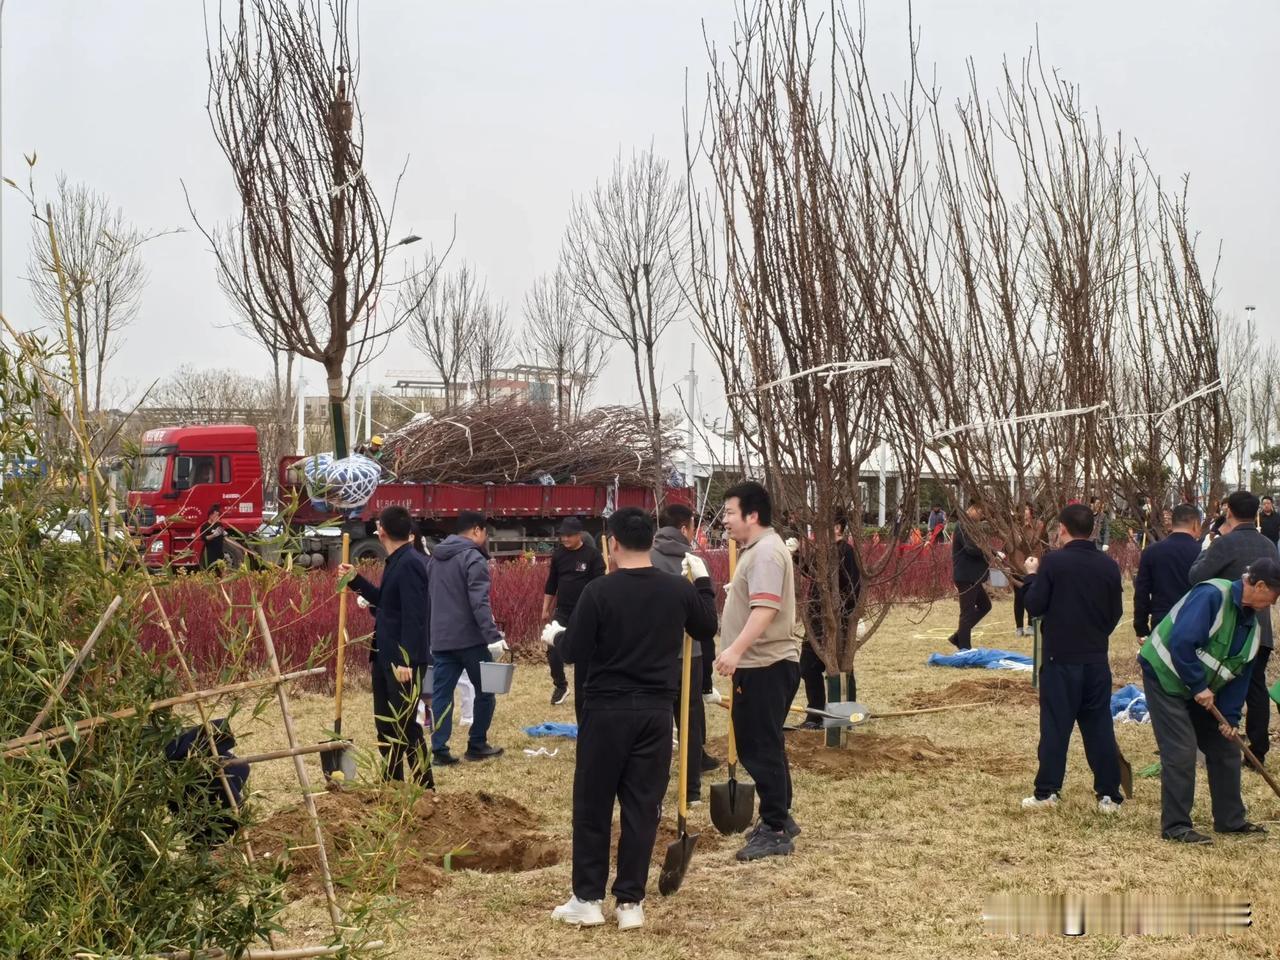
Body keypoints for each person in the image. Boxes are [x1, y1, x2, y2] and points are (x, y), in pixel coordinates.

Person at [545, 507, 718, 930]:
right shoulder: (677, 590)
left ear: (613, 544)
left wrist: (556, 637)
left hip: (606, 710)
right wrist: (702, 582)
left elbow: (576, 650)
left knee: (593, 803)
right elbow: (706, 627)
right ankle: (630, 903)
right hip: (657, 712)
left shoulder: (600, 592)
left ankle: (587, 898)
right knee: (643, 805)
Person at [1139, 558, 1280, 843]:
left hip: (1200, 689)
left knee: (1226, 747)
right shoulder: (1213, 595)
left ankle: (1230, 820)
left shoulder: (1252, 630)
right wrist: (1198, 685)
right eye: (1274, 597)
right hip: (1165, 675)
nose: (1274, 604)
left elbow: (1238, 676)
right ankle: (1176, 826)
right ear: (1260, 585)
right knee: (1181, 749)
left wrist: (1229, 719)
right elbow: (1181, 643)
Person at [715, 481, 804, 861]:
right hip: (765, 663)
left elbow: (766, 610)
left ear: (752, 516)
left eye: (731, 513)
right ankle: (780, 814)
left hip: (765, 664)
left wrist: (734, 650)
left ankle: (775, 827)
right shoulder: (760, 550)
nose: (725, 521)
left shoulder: (766, 552)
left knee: (758, 747)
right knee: (767, 743)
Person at [1020, 503, 1124, 812]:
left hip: (1060, 660)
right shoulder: (1108, 565)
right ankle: (1109, 794)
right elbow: (1115, 612)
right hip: (1095, 659)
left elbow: (1035, 605)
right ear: (1092, 530)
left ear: (1062, 529)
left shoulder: (1053, 563)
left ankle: (1047, 791)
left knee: (1055, 727)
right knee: (1099, 727)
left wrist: (1030, 576)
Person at [339, 505, 433, 786]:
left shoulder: (411, 564)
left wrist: (406, 660)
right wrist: (355, 579)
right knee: (386, 724)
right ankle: (393, 783)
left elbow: (416, 617)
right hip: (384, 656)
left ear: (382, 532)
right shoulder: (396, 560)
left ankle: (425, 787)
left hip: (402, 661)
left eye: (378, 525)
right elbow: (386, 602)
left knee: (405, 725)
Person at [1187, 490, 1279, 765]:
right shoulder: (1268, 545)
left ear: (1228, 512)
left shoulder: (1225, 543)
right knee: (1257, 687)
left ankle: (1214, 744)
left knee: (1223, 684)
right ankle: (1258, 750)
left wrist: (1210, 544)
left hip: (1230, 633)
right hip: (1262, 630)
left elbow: (1196, 576)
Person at [427, 511, 505, 765]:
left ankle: (439, 750)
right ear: (475, 530)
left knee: (441, 695)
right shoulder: (473, 557)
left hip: (440, 638)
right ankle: (477, 744)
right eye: (484, 533)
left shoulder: (435, 558)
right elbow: (479, 601)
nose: (484, 538)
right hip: (470, 639)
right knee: (486, 692)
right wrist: (492, 636)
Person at [650, 502, 720, 781]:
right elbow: (705, 612)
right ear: (683, 528)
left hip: (654, 652)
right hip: (690, 651)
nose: (694, 532)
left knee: (658, 715)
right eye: (693, 527)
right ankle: (691, 785)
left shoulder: (646, 556)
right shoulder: (693, 561)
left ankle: (657, 775)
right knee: (689, 714)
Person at [798, 516, 861, 729]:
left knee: (841, 668)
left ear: (836, 527)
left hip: (837, 620)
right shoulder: (822, 551)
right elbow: (810, 571)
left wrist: (845, 616)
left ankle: (846, 716)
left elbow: (853, 588)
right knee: (807, 666)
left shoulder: (846, 552)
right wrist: (796, 555)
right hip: (816, 617)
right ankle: (815, 714)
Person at [543, 516, 607, 714]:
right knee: (552, 646)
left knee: (584, 650)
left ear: (579, 535)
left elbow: (600, 586)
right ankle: (561, 685)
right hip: (563, 610)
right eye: (562, 535)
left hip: (585, 611)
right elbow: (551, 583)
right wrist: (545, 608)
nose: (565, 539)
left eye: (569, 535)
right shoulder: (559, 555)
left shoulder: (592, 555)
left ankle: (587, 686)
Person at [1134, 504, 1203, 642]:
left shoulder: (1151, 552)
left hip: (1162, 620)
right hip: (1195, 620)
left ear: (1172, 523)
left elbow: (1142, 592)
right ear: (1196, 524)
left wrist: (1141, 628)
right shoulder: (1202, 553)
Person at [948, 501, 991, 651]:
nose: (982, 516)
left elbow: (981, 545)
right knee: (967, 612)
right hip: (967, 575)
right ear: (972, 509)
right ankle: (964, 648)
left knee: (985, 605)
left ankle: (957, 637)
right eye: (980, 512)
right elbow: (972, 549)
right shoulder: (963, 526)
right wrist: (990, 553)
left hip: (975, 576)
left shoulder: (972, 527)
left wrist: (992, 551)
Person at [1010, 503, 1046, 638]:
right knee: (1018, 597)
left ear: (1031, 511)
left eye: (1025, 509)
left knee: (1032, 594)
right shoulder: (1014, 527)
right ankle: (1019, 627)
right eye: (1021, 509)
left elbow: (1039, 542)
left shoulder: (1039, 525)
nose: (1023, 512)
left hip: (1034, 564)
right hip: (1018, 564)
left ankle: (1031, 625)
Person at [199, 504, 228, 571]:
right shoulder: (205, 526)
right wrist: (214, 535)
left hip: (220, 554)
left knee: (221, 572)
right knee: (211, 572)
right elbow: (204, 538)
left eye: (218, 515)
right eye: (216, 515)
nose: (218, 517)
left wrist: (224, 534)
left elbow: (222, 534)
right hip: (210, 555)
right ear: (211, 515)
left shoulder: (219, 524)